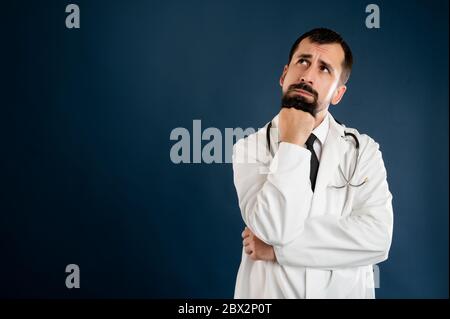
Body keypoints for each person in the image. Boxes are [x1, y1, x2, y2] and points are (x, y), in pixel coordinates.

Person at [232, 27, 393, 299]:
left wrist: (276, 250)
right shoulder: (249, 149)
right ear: (284, 74)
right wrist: (292, 143)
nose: (307, 75)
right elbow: (274, 228)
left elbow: (377, 239)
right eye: (303, 61)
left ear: (338, 93)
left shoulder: (363, 151)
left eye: (324, 69)